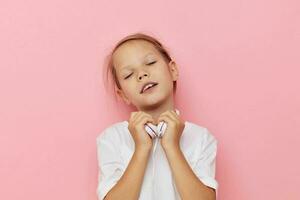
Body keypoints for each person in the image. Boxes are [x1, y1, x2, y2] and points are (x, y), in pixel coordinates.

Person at [96, 32, 219, 200]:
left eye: (150, 63)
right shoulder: (112, 138)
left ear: (173, 70)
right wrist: (141, 149)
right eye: (128, 75)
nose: (142, 74)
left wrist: (172, 147)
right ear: (123, 94)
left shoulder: (201, 138)